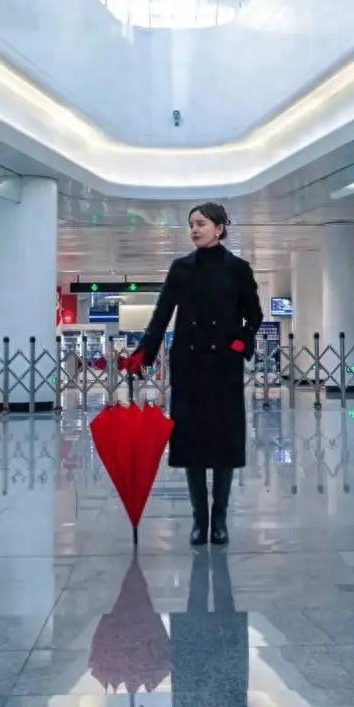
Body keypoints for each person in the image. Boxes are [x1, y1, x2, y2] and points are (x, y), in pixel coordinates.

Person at [128, 202, 262, 545]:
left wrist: (240, 342)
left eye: (200, 223)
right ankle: (199, 520)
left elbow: (255, 316)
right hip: (188, 365)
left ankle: (219, 520)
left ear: (219, 228)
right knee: (191, 442)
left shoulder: (238, 269)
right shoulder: (181, 268)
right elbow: (162, 313)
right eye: (191, 224)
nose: (194, 229)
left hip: (224, 367)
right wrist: (145, 349)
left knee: (223, 442)